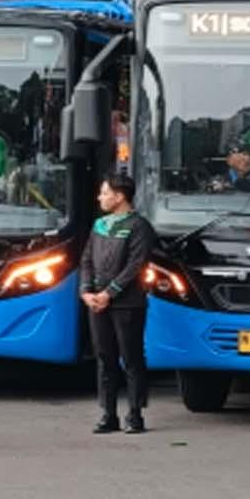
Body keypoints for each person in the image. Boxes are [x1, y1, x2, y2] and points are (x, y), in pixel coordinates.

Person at [81, 173, 155, 435]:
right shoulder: (99, 225)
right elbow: (87, 260)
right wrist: (87, 291)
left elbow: (136, 265)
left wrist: (109, 293)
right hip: (97, 303)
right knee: (104, 357)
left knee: (131, 357)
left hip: (128, 303)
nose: (100, 197)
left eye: (104, 192)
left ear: (120, 196)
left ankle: (135, 414)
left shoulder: (139, 226)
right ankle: (108, 413)